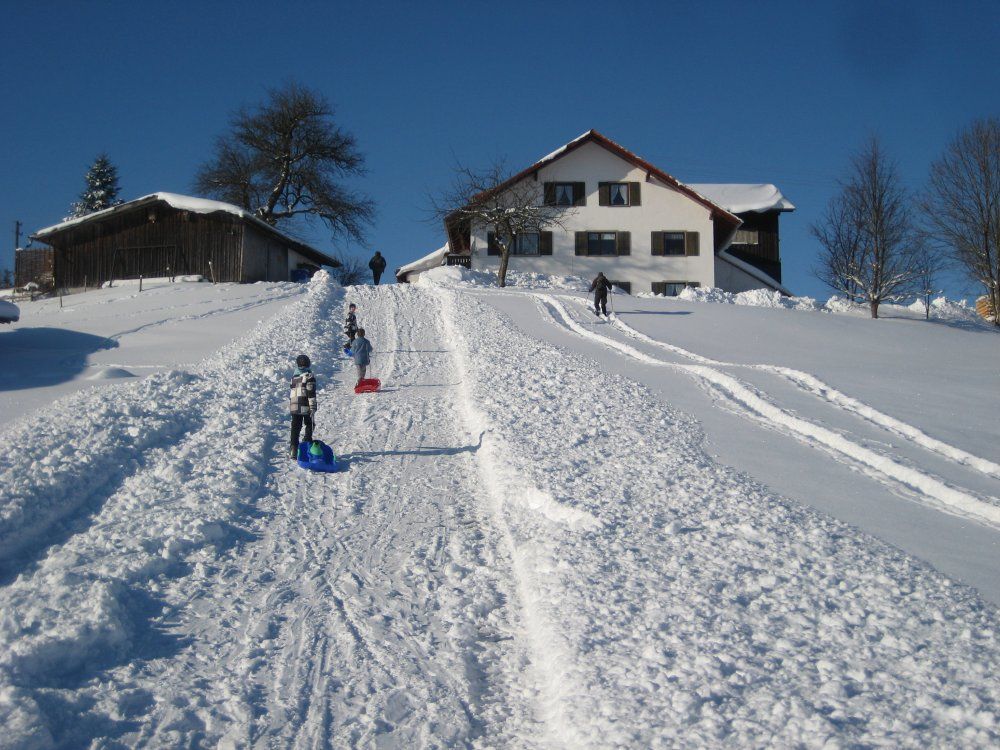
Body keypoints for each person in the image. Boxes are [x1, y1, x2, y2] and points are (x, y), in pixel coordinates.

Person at [289, 354, 317, 458]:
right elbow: (311, 393)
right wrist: (313, 407)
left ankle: (293, 448)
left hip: (294, 405)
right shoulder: (309, 377)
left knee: (295, 427)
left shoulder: (294, 377)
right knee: (310, 424)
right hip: (305, 405)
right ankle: (307, 443)